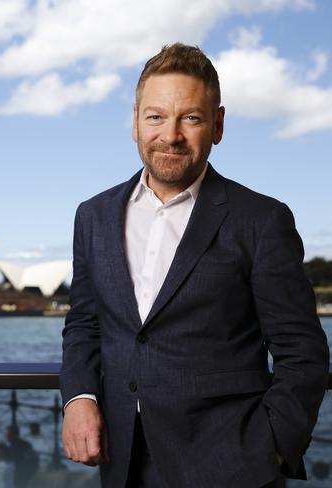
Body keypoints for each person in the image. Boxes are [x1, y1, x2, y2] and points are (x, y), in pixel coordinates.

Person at [60, 43, 329, 488]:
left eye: (191, 117)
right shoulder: (93, 215)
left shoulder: (261, 220)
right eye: (156, 117)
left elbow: (303, 351)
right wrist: (79, 398)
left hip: (231, 468)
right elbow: (85, 324)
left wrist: (272, 449)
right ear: (134, 121)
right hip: (121, 460)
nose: (170, 135)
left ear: (217, 125)